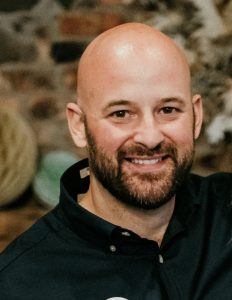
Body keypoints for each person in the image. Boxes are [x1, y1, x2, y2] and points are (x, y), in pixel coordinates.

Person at [0, 23, 231, 300]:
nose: (149, 137)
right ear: (78, 125)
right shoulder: (21, 283)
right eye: (121, 113)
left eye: (168, 110)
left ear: (196, 115)